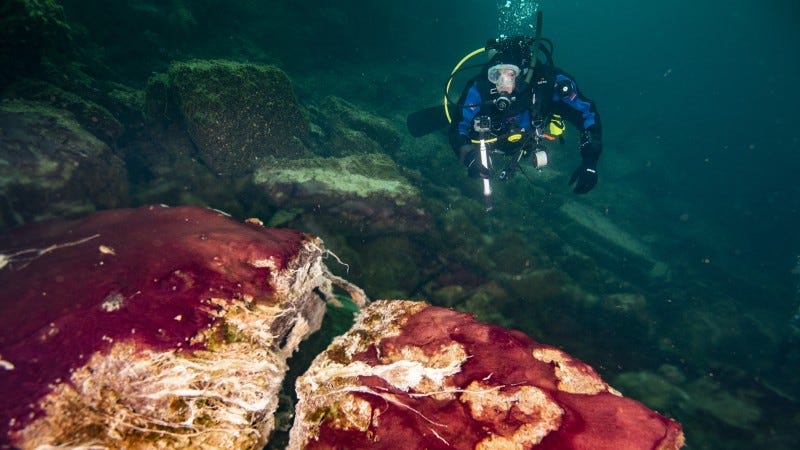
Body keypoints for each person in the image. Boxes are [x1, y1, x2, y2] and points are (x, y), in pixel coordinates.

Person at [448, 35, 602, 194]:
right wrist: (470, 157)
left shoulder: (548, 83)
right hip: (488, 140)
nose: (502, 84)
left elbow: (587, 113)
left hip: (528, 140)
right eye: (497, 75)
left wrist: (590, 162)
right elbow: (458, 127)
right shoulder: (480, 87)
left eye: (511, 75)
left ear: (524, 75)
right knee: (458, 114)